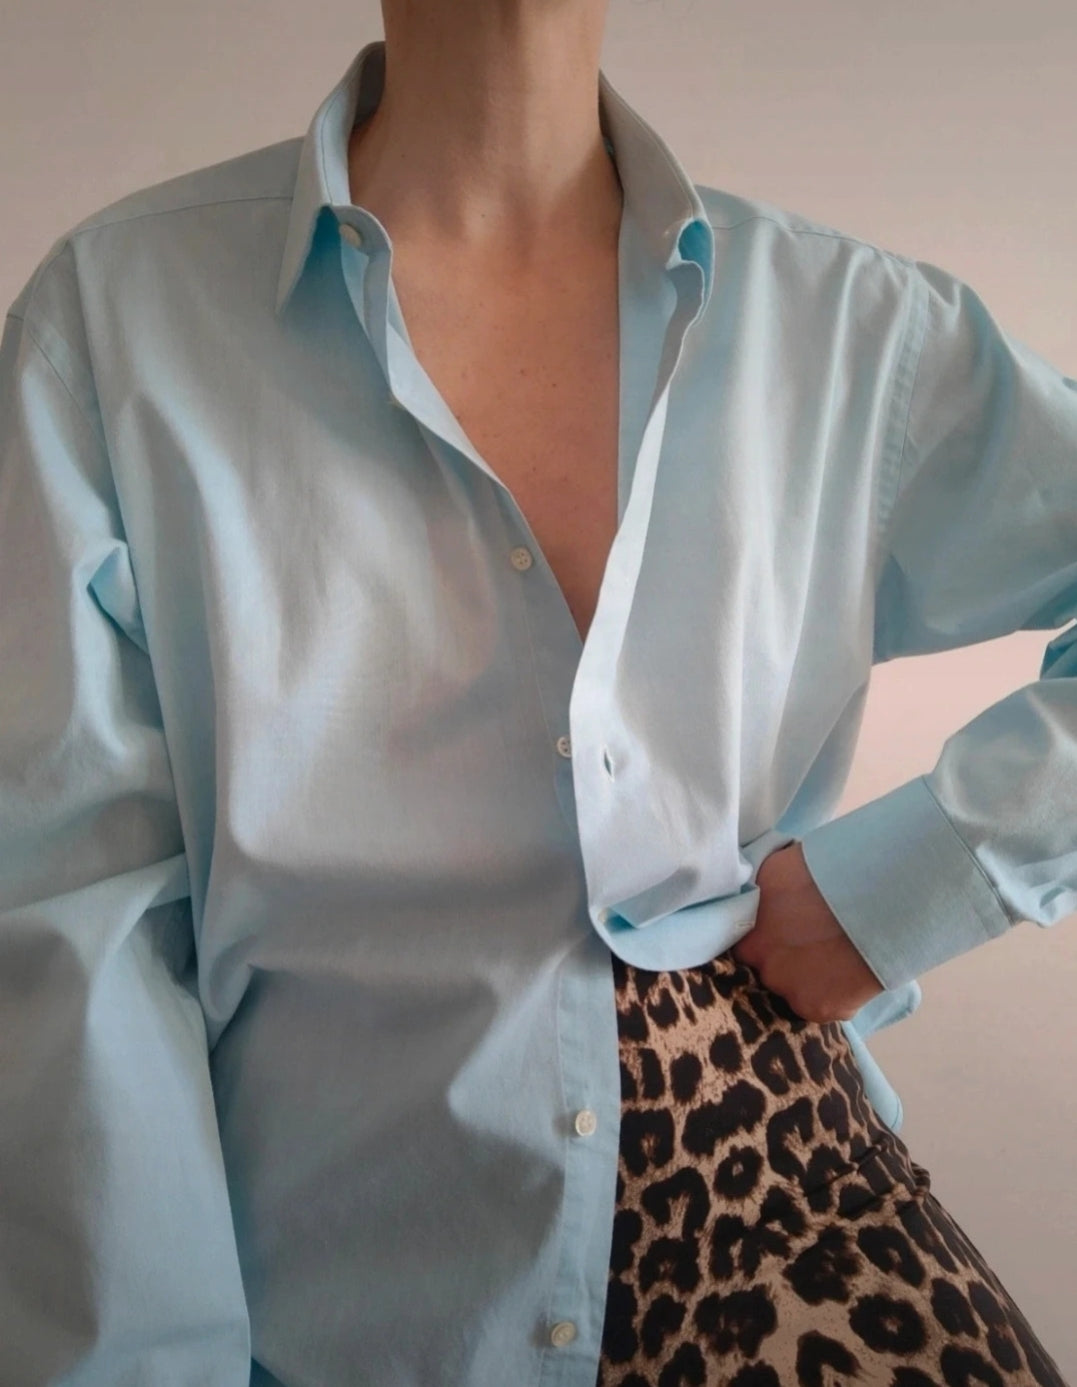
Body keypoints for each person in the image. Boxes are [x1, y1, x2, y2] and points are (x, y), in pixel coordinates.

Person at [1, 1, 1074, 1384]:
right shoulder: (116, 323)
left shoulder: (851, 329)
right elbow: (74, 943)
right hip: (365, 1313)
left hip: (786, 1215)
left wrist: (928, 874)